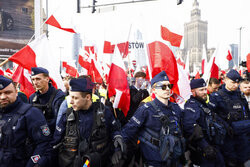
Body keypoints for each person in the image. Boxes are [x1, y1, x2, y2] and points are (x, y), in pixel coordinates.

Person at [52, 77, 123, 167]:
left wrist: (117, 146)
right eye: (71, 96)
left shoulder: (104, 112)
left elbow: (114, 130)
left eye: (75, 98)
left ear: (88, 97)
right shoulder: (67, 116)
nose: (71, 101)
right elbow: (55, 143)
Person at [121, 71, 185, 167]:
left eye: (169, 86)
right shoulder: (145, 109)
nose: (167, 89)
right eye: (163, 87)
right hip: (154, 161)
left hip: (175, 159)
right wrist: (119, 149)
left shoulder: (176, 108)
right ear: (154, 90)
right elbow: (128, 131)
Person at [0, 75, 51, 167]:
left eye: (7, 92)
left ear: (16, 92)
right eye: (0, 93)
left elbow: (44, 144)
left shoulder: (31, 113)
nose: (3, 97)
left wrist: (32, 164)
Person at [209, 69, 250, 167]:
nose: (235, 85)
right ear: (225, 80)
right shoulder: (216, 96)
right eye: (233, 82)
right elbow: (211, 116)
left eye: (237, 83)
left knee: (242, 161)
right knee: (230, 162)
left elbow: (247, 114)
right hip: (227, 138)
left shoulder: (240, 95)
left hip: (242, 137)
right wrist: (225, 126)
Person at [183, 78, 225, 167]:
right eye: (201, 90)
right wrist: (205, 146)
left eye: (205, 89)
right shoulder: (192, 106)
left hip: (213, 146)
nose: (205, 92)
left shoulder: (203, 104)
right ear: (193, 91)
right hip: (203, 151)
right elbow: (191, 128)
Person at [29, 67, 65, 134]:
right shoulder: (32, 97)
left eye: (38, 79)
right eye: (33, 79)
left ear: (47, 79)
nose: (35, 82)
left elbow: (59, 121)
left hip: (52, 135)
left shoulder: (59, 96)